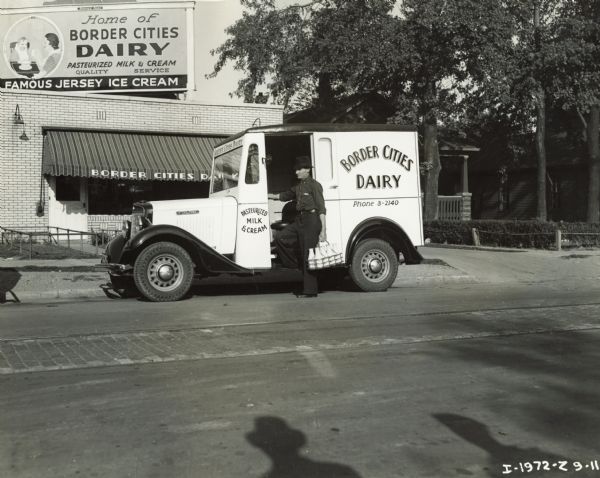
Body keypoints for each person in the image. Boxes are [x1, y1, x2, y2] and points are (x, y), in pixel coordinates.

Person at [268, 155, 326, 298]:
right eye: (296, 170)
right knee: (281, 237)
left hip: (311, 221)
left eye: (299, 169)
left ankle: (310, 291)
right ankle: (298, 264)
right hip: (299, 220)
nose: (296, 172)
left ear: (307, 170)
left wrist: (323, 230)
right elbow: (284, 196)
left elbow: (321, 208)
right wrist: (267, 195)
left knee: (308, 255)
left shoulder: (315, 185)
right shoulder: (298, 187)